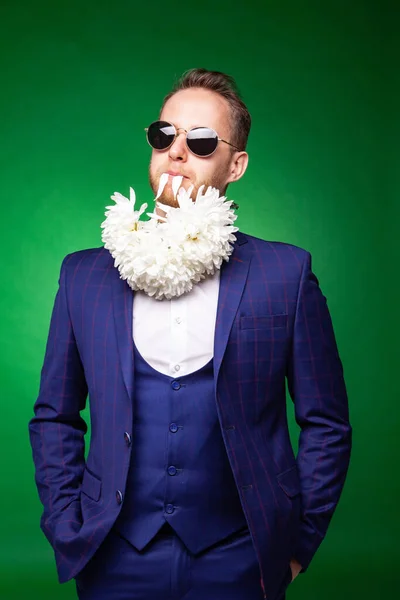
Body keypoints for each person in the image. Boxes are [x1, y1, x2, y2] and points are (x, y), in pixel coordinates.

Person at [28, 68, 352, 600]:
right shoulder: (81, 275)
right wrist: (68, 525)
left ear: (236, 165)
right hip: (112, 555)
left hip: (240, 557)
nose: (177, 151)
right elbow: (54, 416)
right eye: (164, 135)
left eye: (201, 141)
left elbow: (326, 422)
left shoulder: (285, 274)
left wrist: (296, 543)